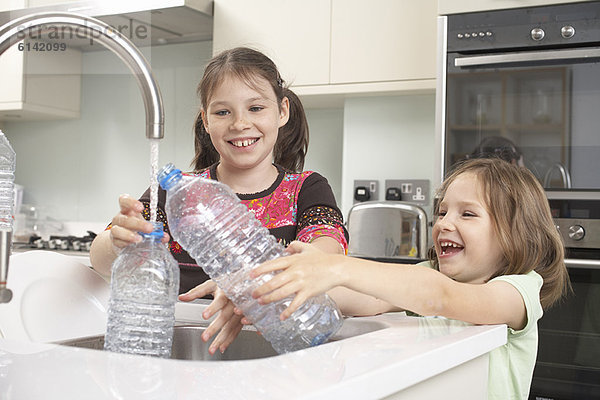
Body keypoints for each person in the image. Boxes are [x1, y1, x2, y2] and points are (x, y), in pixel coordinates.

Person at [89, 47, 348, 354]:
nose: (240, 124)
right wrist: (118, 242)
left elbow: (326, 256)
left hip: (276, 351)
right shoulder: (175, 192)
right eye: (223, 112)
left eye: (256, 108)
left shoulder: (307, 189)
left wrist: (244, 282)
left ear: (282, 111)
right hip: (180, 350)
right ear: (206, 121)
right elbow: (100, 259)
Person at [249, 158, 571, 400]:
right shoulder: (428, 275)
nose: (444, 223)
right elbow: (362, 298)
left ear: (516, 233)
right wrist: (267, 288)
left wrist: (336, 267)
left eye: (467, 214)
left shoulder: (519, 289)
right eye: (442, 212)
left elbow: (440, 297)